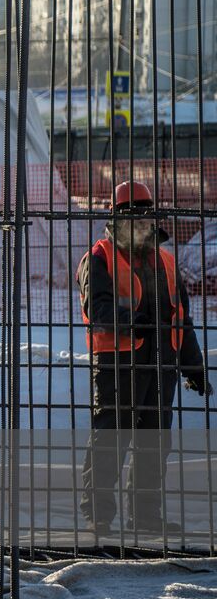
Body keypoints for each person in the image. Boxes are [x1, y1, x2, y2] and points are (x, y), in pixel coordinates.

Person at [77, 180, 211, 537]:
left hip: (161, 364)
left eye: (144, 219)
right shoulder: (99, 257)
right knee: (111, 439)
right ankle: (99, 517)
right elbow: (98, 307)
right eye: (131, 218)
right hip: (117, 365)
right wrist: (132, 324)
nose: (139, 226)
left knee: (153, 444)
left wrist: (193, 367)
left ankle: (146, 516)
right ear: (116, 220)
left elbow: (181, 317)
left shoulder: (166, 262)